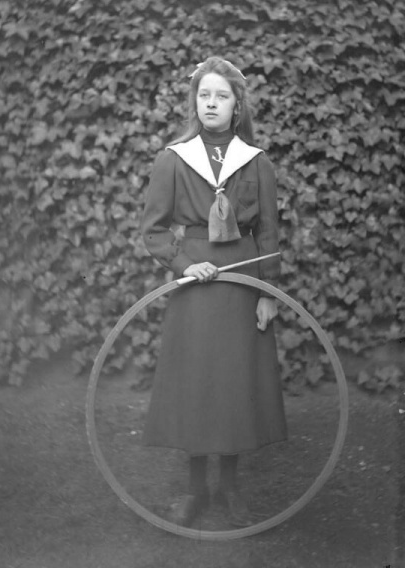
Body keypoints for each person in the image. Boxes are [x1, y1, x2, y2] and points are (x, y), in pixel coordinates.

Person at [141, 56, 287, 528]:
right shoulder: (173, 159)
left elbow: (268, 232)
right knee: (197, 381)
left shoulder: (256, 162)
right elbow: (154, 230)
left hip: (241, 283)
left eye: (221, 96)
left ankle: (228, 485)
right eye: (204, 94)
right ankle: (194, 488)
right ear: (195, 102)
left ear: (236, 106)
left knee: (233, 380)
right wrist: (185, 263)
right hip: (196, 282)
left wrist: (267, 293)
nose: (211, 103)